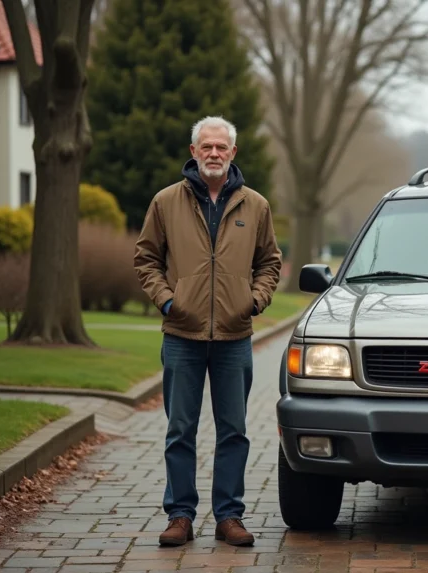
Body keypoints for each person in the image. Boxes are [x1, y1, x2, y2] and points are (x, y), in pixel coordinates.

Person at [133, 116, 282, 547]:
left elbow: (269, 263)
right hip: (181, 335)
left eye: (221, 147)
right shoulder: (165, 202)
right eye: (206, 146)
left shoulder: (255, 205)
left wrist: (253, 301)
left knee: (233, 430)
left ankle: (228, 516)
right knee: (180, 429)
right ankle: (179, 515)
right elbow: (146, 259)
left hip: (235, 338)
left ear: (233, 153)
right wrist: (167, 301)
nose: (213, 153)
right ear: (193, 151)